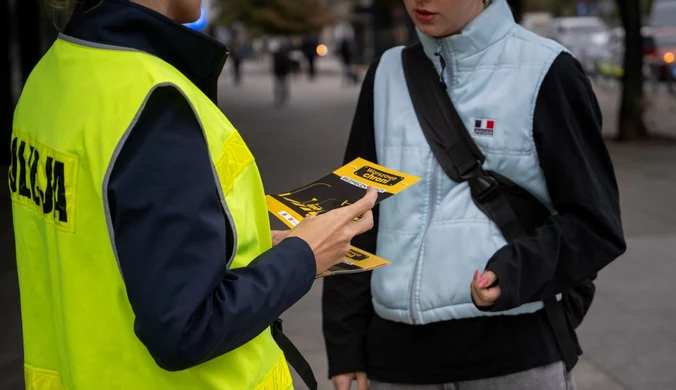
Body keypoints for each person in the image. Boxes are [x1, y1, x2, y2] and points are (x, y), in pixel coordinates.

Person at [9, 0, 377, 389]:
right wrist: (304, 255)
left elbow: (103, 242)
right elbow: (185, 330)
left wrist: (241, 251)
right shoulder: (155, 103)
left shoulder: (50, 75)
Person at [322, 0, 626, 389]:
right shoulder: (386, 73)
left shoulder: (547, 70)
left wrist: (516, 270)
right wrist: (345, 344)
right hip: (395, 363)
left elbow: (596, 224)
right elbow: (354, 212)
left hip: (513, 358)